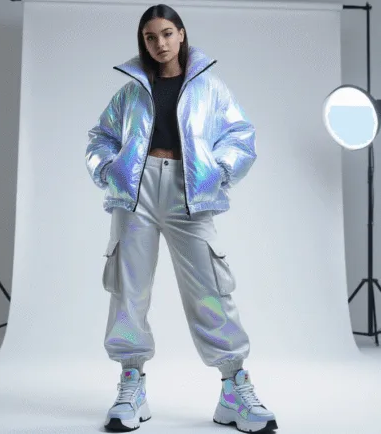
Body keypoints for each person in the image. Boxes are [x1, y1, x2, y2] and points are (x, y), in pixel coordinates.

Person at [85, 4, 277, 433]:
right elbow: (100, 135)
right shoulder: (131, 91)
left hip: (189, 194)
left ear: (182, 34)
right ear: (145, 41)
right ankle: (131, 383)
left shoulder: (210, 88)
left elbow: (240, 135)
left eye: (167, 34)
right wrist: (107, 169)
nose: (160, 43)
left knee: (210, 289)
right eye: (151, 37)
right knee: (128, 288)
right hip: (136, 193)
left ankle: (234, 389)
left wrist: (220, 171)